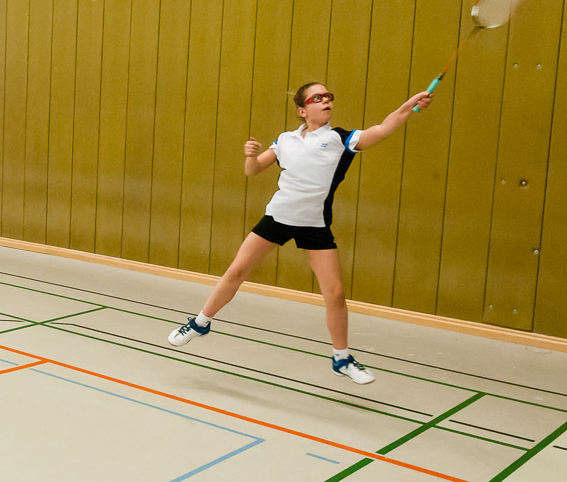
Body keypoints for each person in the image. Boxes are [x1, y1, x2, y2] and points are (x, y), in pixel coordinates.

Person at [166, 82, 433, 385]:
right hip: (278, 216)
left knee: (335, 294)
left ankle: (342, 358)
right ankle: (200, 323)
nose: (326, 100)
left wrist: (410, 106)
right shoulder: (285, 140)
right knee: (237, 271)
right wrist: (250, 155)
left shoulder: (340, 138)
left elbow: (383, 129)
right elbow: (253, 170)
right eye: (317, 97)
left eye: (328, 96)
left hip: (314, 223)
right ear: (302, 110)